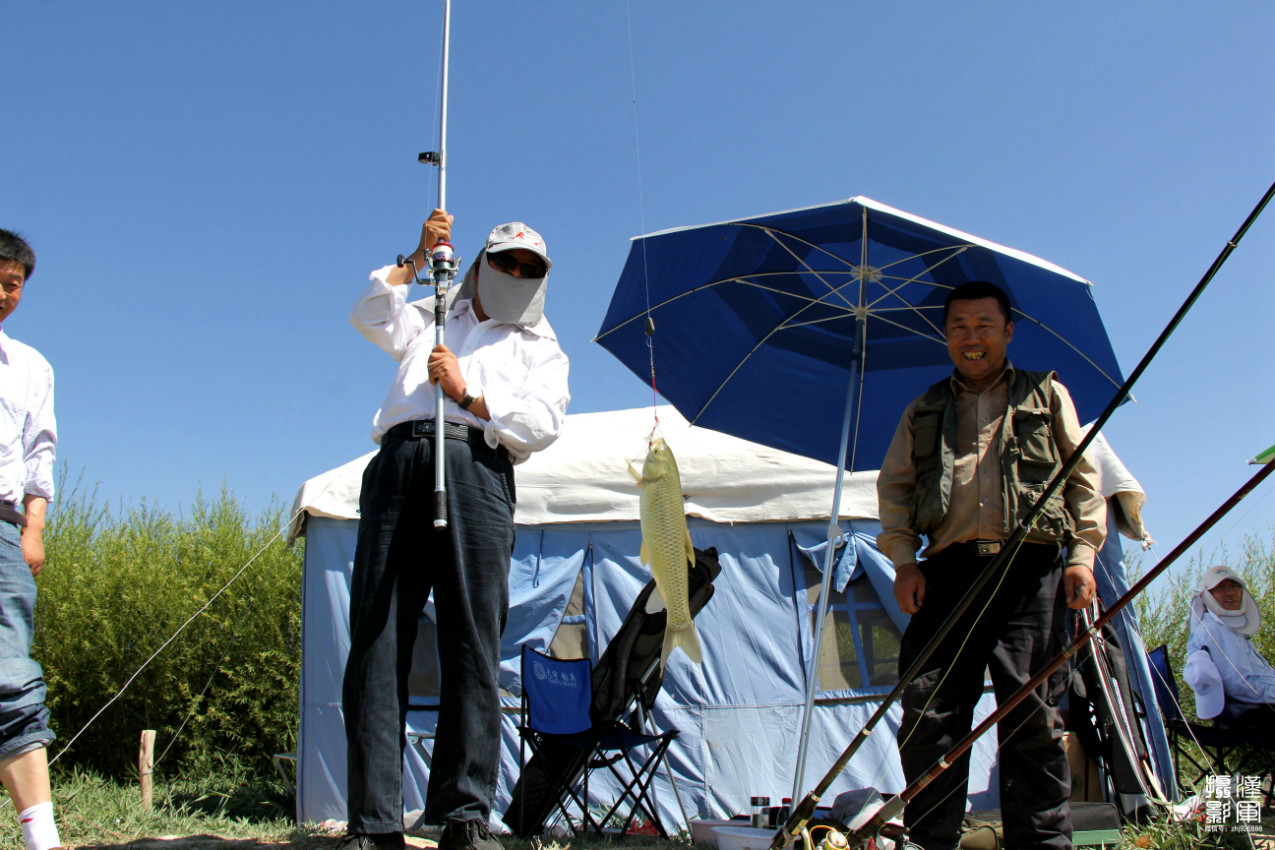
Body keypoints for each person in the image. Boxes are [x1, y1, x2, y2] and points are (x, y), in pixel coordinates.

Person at [342, 209, 570, 850]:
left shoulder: (540, 343)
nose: (516, 273)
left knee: (473, 638)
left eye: (530, 269)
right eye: (505, 261)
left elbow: (543, 423)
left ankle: (465, 814)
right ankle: (375, 822)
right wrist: (417, 256)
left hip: (479, 464)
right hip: (402, 459)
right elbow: (368, 312)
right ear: (481, 261)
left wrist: (470, 396)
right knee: (378, 635)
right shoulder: (434, 310)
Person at [876, 280, 1106, 850]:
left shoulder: (1047, 395)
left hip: (1031, 575)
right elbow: (895, 492)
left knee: (1034, 719)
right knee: (928, 713)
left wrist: (1082, 556)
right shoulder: (923, 408)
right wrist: (905, 564)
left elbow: (1083, 480)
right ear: (945, 335)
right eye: (959, 327)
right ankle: (933, 842)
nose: (971, 338)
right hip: (947, 576)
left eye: (984, 326)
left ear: (1008, 331)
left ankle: (1044, 845)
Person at [0, 230, 62, 850]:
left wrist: (33, 529)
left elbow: (39, 454)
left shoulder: (31, 366)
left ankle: (41, 839)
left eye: (11, 284)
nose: (1, 293)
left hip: (2, 526)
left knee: (11, 675)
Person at [1185, 565, 1275, 729]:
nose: (1230, 592)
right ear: (1208, 596)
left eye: (1234, 586)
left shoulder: (1227, 627)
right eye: (1220, 588)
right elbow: (1240, 686)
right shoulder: (1215, 630)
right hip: (1256, 715)